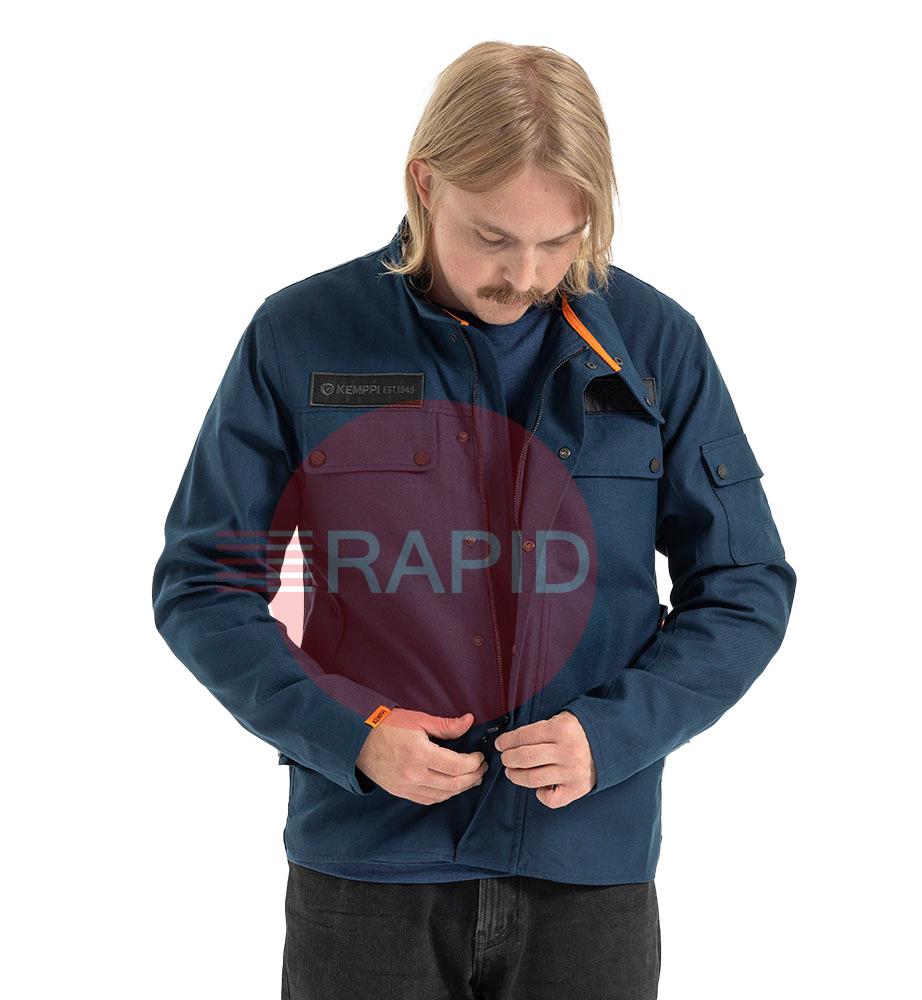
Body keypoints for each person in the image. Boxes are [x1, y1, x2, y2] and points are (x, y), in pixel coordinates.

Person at [152, 40, 796, 1000]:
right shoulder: (301, 336)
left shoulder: (656, 344)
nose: (527, 274)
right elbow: (203, 584)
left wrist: (614, 736)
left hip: (588, 870)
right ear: (425, 185)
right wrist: (351, 732)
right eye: (493, 237)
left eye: (561, 239)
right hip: (366, 871)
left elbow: (745, 586)